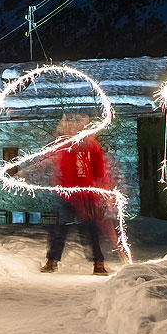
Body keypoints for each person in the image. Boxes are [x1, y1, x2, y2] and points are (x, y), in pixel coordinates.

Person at [40, 112, 118, 276]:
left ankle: (98, 263)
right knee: (60, 228)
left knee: (89, 228)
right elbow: (61, 168)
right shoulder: (66, 145)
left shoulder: (92, 145)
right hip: (67, 194)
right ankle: (52, 261)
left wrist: (99, 190)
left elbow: (99, 169)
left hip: (86, 194)